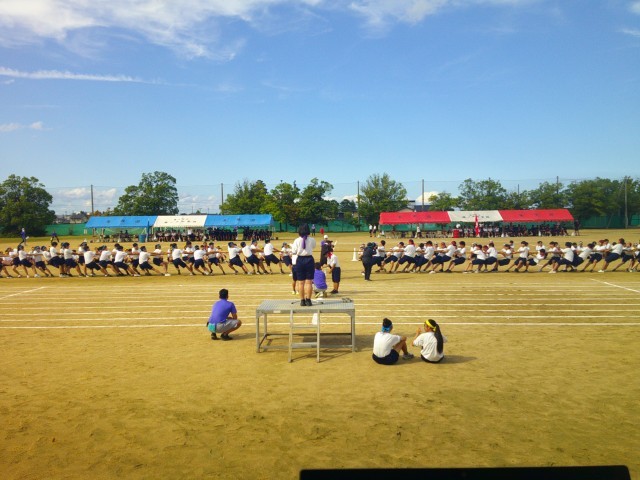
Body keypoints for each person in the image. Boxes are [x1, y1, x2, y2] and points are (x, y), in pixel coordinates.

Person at [291, 224, 316, 306]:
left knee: (300, 282)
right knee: (309, 282)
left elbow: (294, 251)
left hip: (300, 260)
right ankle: (308, 300)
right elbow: (313, 247)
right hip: (309, 259)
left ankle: (302, 301)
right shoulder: (312, 239)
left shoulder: (296, 240)